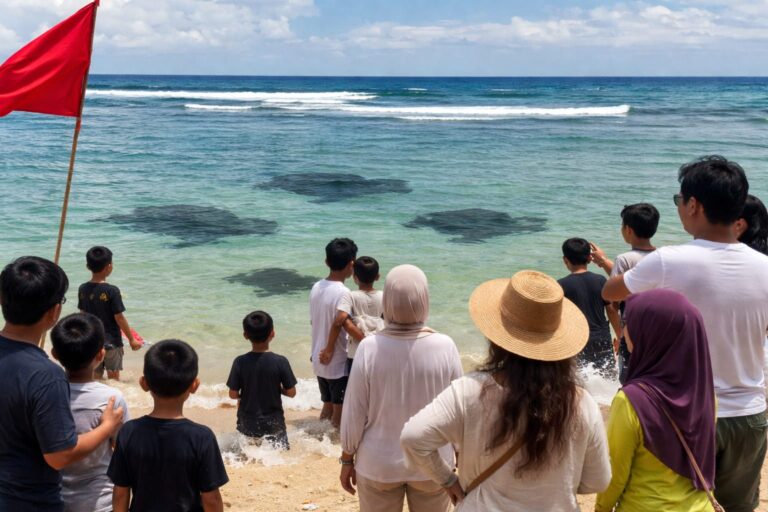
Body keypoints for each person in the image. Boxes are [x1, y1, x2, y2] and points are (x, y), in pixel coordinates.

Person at [604, 155, 768, 512]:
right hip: (750, 411)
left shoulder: (668, 261)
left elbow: (611, 293)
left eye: (679, 201)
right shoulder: (766, 267)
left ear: (693, 204)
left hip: (686, 412)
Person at [400, 270, 610, 511]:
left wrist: (448, 480)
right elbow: (598, 480)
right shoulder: (581, 402)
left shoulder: (470, 390)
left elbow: (413, 438)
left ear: (498, 338)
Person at [0, 256, 124, 511]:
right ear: (54, 312)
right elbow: (60, 456)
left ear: (3, 299)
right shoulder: (45, 375)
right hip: (27, 500)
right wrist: (106, 427)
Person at [339, 264, 462, 512]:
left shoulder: (369, 348)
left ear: (388, 302)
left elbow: (354, 410)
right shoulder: (445, 345)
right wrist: (461, 453)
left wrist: (347, 458)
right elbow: (459, 410)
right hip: (434, 463)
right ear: (424, 299)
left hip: (378, 464)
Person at [595, 289, 717, 511]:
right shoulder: (705, 392)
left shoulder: (630, 401)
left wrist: (600, 509)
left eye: (629, 322)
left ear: (652, 333)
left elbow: (614, 476)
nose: (625, 330)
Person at [108, 339, 229, 512]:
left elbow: (120, 492)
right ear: (194, 385)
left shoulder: (129, 431)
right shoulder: (202, 436)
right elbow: (211, 499)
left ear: (144, 383)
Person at [51, 313, 131, 512]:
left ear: (55, 354)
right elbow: (124, 453)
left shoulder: (46, 396)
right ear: (100, 355)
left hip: (53, 499)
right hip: (101, 501)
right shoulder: (111, 399)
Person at [590, 203, 659, 383]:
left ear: (627, 230)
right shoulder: (661, 256)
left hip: (632, 328)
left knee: (629, 377)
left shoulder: (623, 259)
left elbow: (613, 296)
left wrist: (619, 333)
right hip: (657, 325)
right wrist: (603, 261)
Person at [227, 311, 298, 449]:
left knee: (249, 453)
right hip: (274, 423)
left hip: (247, 422)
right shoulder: (280, 361)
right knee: (279, 453)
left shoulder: (239, 362)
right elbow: (291, 393)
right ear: (272, 333)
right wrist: (278, 389)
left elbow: (232, 394)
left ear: (245, 335)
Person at [310, 237, 357, 428]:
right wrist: (329, 349)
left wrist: (320, 350)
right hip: (335, 360)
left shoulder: (316, 287)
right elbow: (339, 323)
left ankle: (320, 436)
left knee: (327, 405)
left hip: (318, 357)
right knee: (339, 409)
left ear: (326, 262)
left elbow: (314, 321)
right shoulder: (344, 292)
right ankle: (332, 445)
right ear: (351, 264)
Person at [558, 238, 620, 376]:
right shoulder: (600, 280)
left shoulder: (560, 285)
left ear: (565, 260)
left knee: (580, 379)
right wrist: (620, 336)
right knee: (607, 375)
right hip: (602, 339)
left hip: (577, 341)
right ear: (589, 258)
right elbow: (611, 310)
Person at [78, 246, 140, 381]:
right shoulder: (112, 291)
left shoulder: (82, 288)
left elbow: (82, 315)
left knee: (96, 376)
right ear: (109, 266)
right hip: (112, 342)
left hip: (93, 341)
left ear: (88, 266)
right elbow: (119, 317)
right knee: (113, 377)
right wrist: (132, 339)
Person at [322, 256, 384, 373]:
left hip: (356, 354)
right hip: (378, 352)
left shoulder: (350, 296)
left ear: (355, 277)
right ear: (377, 277)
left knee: (355, 390)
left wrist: (328, 349)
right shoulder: (384, 296)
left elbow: (338, 322)